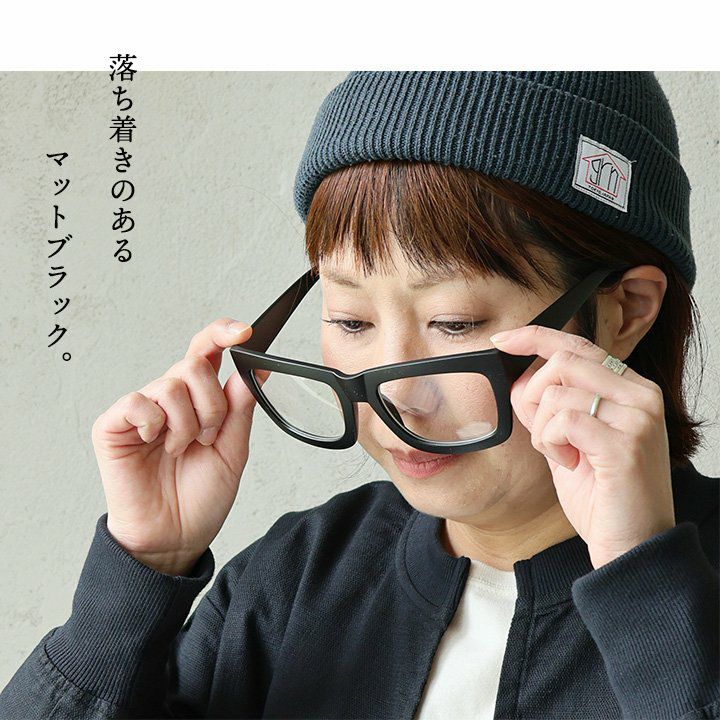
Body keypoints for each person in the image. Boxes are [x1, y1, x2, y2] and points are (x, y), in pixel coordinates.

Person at [1, 71, 718, 720]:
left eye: (454, 322)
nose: (395, 397)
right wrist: (140, 572)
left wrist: (645, 588)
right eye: (350, 321)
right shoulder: (295, 580)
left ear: (625, 310)